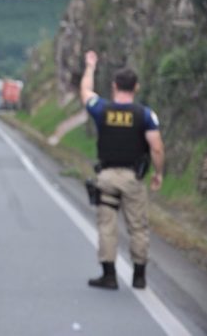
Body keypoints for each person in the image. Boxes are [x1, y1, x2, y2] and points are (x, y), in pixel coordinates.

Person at [80, 50, 165, 290]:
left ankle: (109, 275)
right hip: (132, 178)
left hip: (106, 176)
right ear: (136, 87)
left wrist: (90, 67)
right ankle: (139, 276)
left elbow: (85, 92)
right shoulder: (145, 115)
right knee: (137, 226)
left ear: (114, 86)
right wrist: (158, 174)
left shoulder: (102, 109)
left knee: (107, 225)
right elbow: (156, 148)